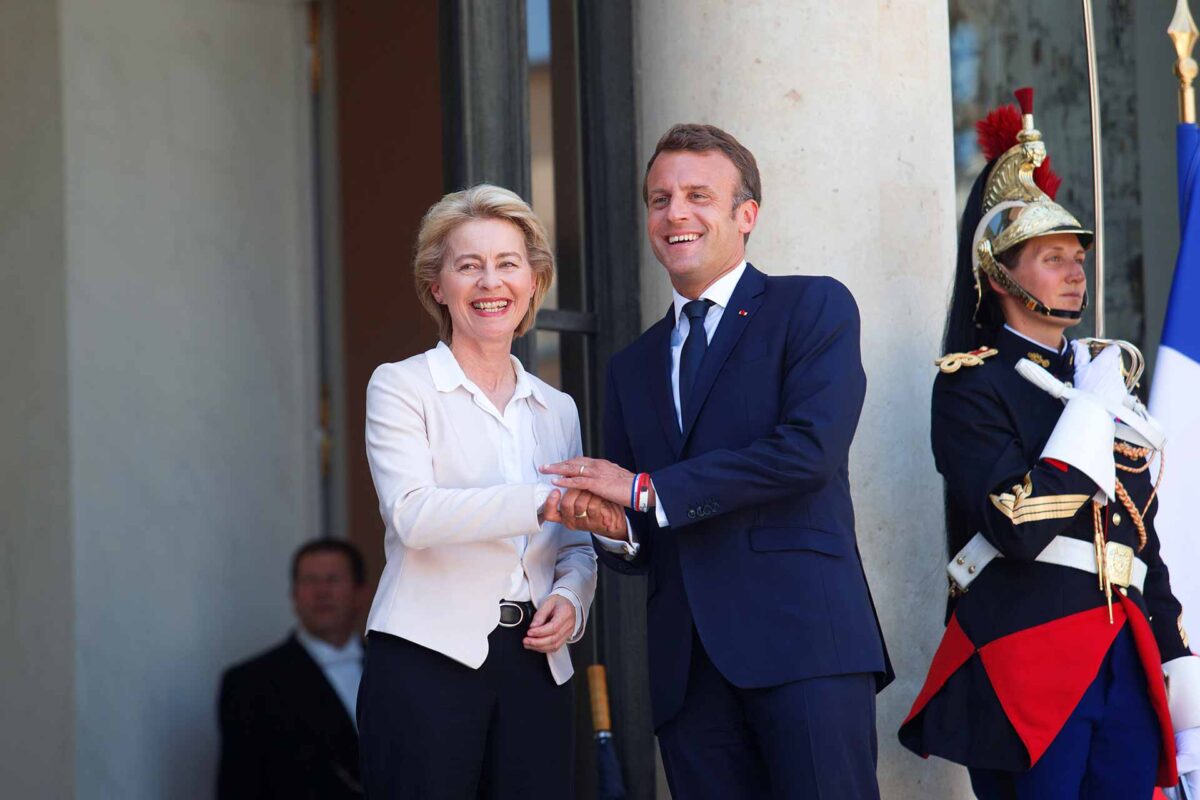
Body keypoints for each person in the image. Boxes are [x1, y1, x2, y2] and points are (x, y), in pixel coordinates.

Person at [539, 123, 892, 799]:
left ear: (746, 214)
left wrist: (642, 490)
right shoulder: (631, 365)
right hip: (686, 673)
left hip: (803, 649)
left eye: (698, 194)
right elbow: (641, 522)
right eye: (659, 198)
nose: (675, 212)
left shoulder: (812, 306)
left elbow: (808, 452)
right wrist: (612, 528)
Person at [897, 88, 1200, 798]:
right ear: (1000, 276)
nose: (1075, 271)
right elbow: (1015, 523)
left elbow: (1138, 543)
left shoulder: (1099, 379)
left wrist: (1176, 658)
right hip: (1026, 658)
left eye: (1076, 257)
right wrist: (1089, 415)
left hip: (1124, 655)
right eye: (1050, 257)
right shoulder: (973, 386)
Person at [357, 184, 615, 799]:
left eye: (507, 264)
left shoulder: (557, 407)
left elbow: (576, 545)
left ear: (533, 282)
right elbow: (412, 514)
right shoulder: (400, 386)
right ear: (436, 286)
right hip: (425, 662)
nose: (489, 282)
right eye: (468, 266)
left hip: (536, 666)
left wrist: (572, 602)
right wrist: (540, 501)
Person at [217, 538, 369, 799]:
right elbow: (239, 786)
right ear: (294, 595)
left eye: (333, 579)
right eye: (310, 581)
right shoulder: (250, 684)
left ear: (360, 593)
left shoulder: (395, 672)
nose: (322, 592)